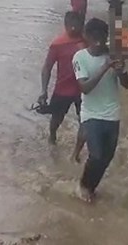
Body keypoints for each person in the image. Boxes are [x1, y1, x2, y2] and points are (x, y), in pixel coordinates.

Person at [72, 18, 128, 202]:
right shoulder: (80, 57)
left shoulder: (114, 55)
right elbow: (85, 88)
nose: (98, 42)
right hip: (91, 114)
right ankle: (82, 185)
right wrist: (105, 66)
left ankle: (91, 187)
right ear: (86, 37)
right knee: (96, 155)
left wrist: (121, 71)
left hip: (112, 114)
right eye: (94, 38)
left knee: (107, 158)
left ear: (106, 37)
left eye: (102, 37)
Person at [39, 11, 87, 156]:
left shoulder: (86, 42)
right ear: (65, 25)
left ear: (82, 25)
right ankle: (52, 138)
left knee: (84, 120)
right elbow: (47, 67)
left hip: (83, 89)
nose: (73, 27)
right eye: (70, 24)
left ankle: (77, 153)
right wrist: (43, 91)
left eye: (76, 24)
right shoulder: (57, 44)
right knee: (56, 119)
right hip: (63, 89)